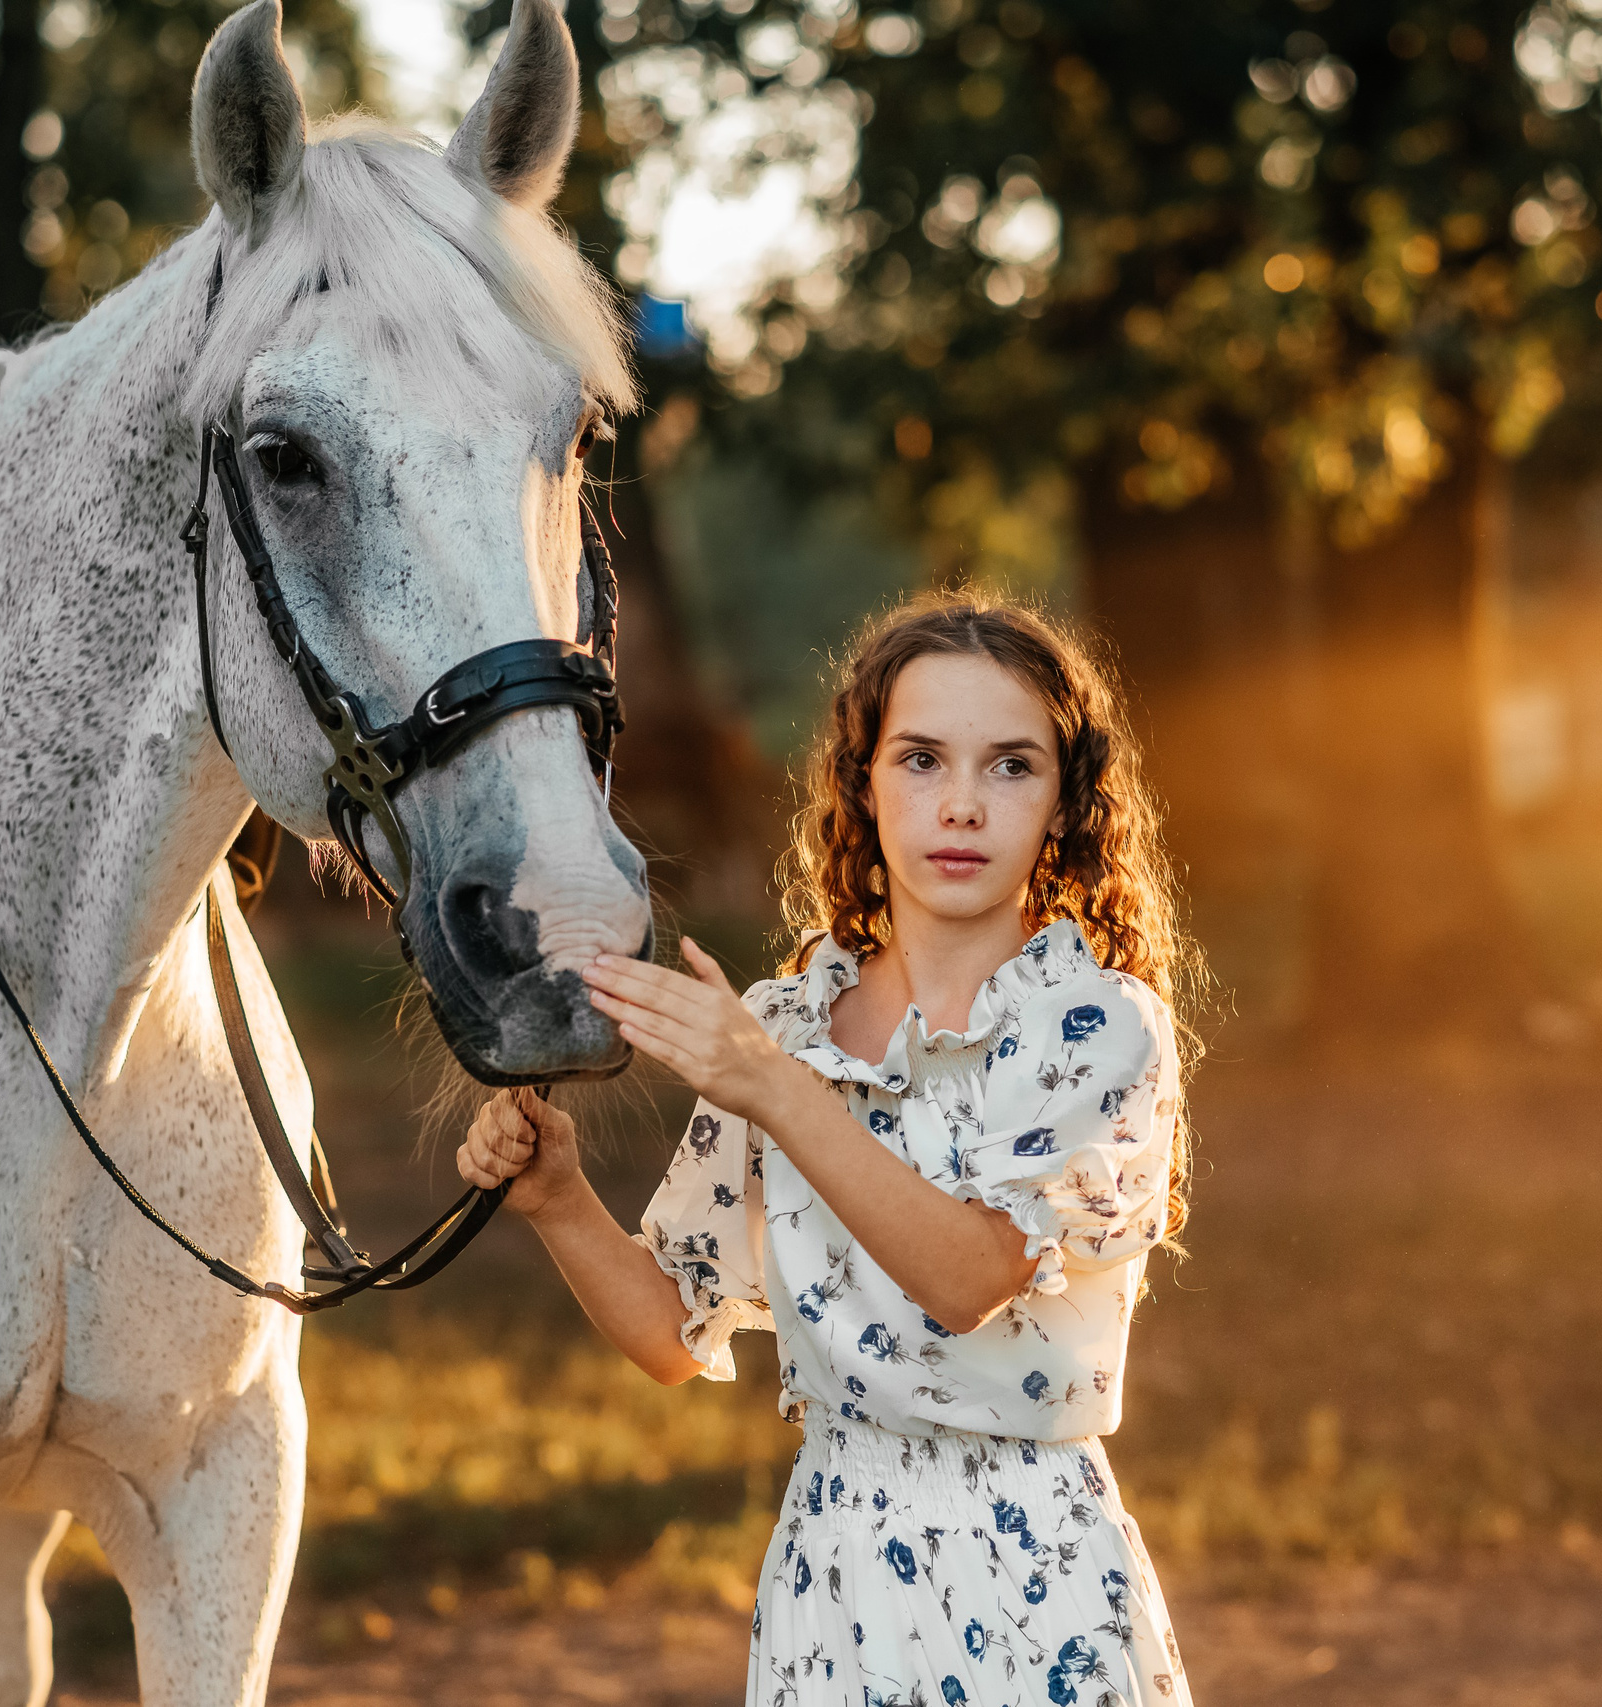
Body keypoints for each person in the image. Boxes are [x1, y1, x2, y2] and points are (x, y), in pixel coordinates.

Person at [458, 593, 1199, 1706]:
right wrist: (559, 1198)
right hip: (832, 1581)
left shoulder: (1097, 1026)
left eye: (1010, 766)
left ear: (1063, 802)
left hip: (1034, 1582)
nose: (960, 804)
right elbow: (671, 1331)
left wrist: (769, 1086)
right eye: (919, 760)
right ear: (863, 784)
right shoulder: (788, 1023)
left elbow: (970, 1277)